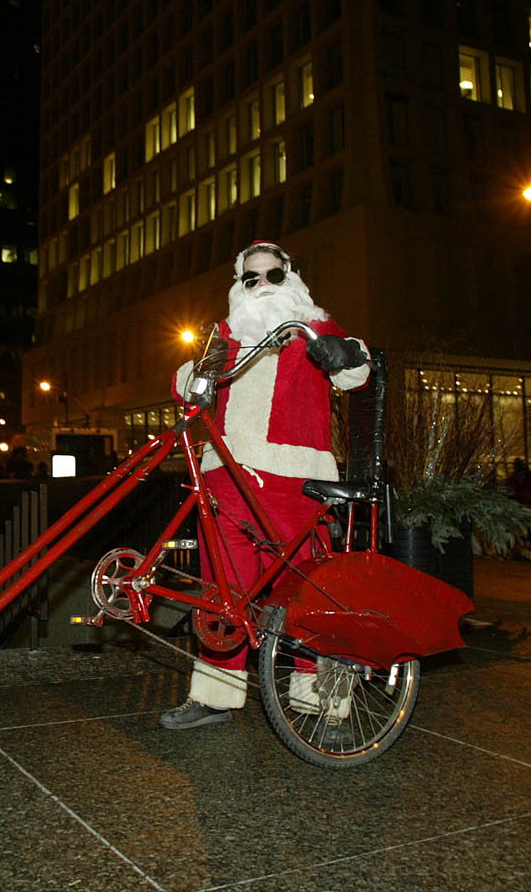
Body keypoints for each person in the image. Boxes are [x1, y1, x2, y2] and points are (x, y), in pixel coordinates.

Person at [159, 240, 372, 729]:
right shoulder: (227, 335)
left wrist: (340, 353)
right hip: (227, 472)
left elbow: (355, 372)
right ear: (239, 285)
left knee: (304, 585)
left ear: (290, 276)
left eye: (272, 275)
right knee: (224, 587)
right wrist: (197, 371)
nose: (262, 286)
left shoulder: (313, 327)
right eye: (251, 278)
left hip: (296, 475)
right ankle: (216, 694)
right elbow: (182, 384)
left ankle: (316, 695)